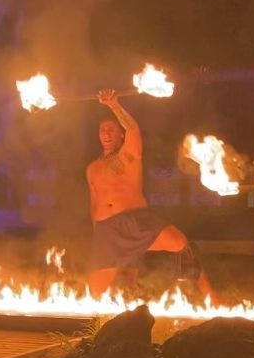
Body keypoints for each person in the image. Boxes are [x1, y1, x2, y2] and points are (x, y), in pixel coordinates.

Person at [86, 89, 214, 298]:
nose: (106, 133)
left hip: (135, 222)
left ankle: (209, 297)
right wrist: (96, 233)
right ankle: (126, 302)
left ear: (120, 134)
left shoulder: (129, 155)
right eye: (103, 130)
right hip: (106, 231)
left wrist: (114, 105)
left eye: (111, 129)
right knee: (96, 295)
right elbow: (94, 202)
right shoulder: (92, 168)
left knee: (181, 244)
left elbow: (133, 129)